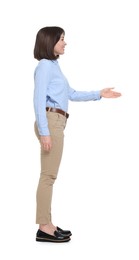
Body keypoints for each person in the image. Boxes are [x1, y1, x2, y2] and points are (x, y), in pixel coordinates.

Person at [33, 26, 121, 243]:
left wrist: (98, 94)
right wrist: (45, 132)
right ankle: (44, 227)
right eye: (61, 39)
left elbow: (70, 94)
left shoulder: (55, 66)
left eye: (64, 39)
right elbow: (37, 100)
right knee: (48, 176)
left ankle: (48, 224)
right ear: (49, 41)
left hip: (56, 122)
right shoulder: (45, 66)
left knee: (49, 175)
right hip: (50, 122)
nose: (65, 43)